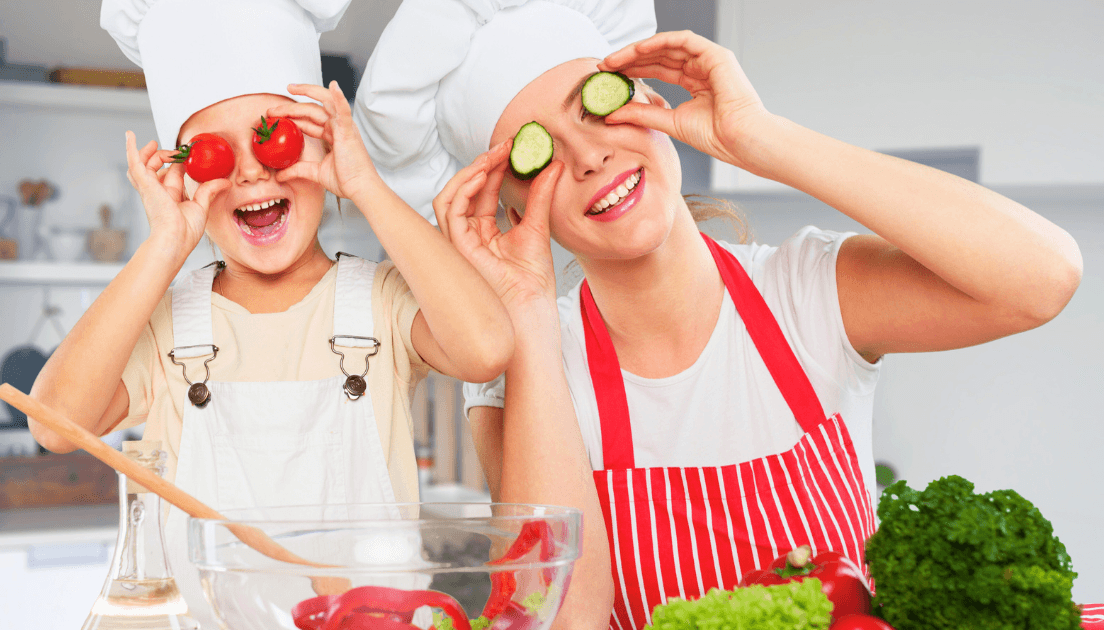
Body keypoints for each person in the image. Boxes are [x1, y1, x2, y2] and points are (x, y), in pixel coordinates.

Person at [353, 1, 1086, 629]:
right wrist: (526, 309)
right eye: (535, 157)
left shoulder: (807, 292)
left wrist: (758, 138)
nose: (587, 159)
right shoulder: (525, 373)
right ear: (509, 209)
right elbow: (568, 617)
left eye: (598, 105)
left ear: (644, 98)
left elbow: (1042, 279)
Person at [26, 0, 512, 624]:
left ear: (321, 149)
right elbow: (54, 424)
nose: (253, 170)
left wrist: (366, 185)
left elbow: (487, 347)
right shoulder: (170, 323)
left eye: (274, 140)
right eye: (213, 156)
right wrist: (164, 244)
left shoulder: (381, 300)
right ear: (181, 176)